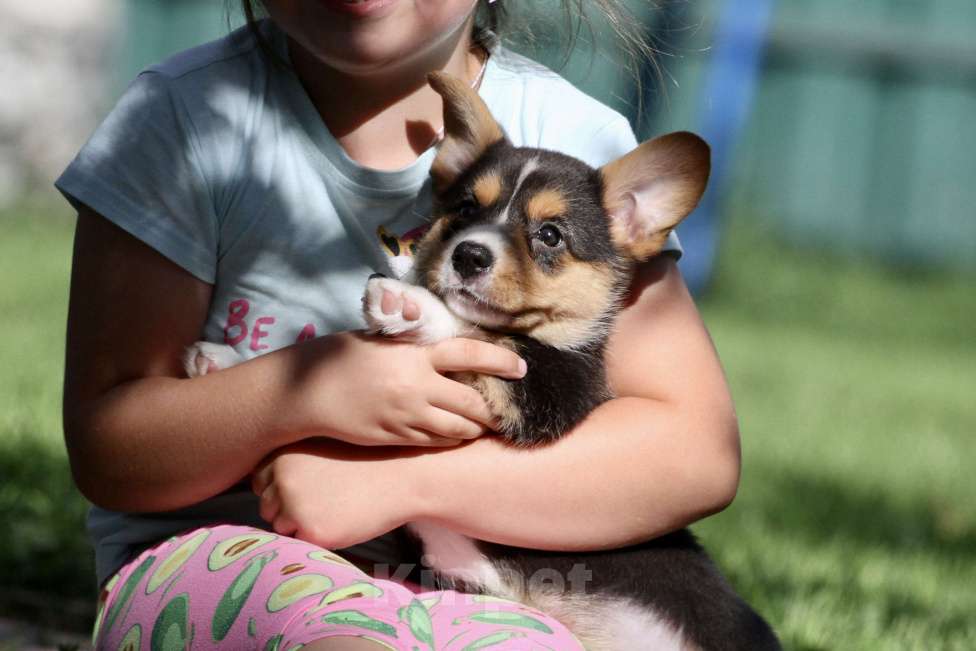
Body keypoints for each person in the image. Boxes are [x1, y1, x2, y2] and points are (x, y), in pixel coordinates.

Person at [58, 1, 741, 648]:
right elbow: (108, 449)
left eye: (547, 238)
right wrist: (301, 392)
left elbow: (695, 451)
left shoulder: (580, 138)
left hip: (482, 596)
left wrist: (400, 484)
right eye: (472, 215)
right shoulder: (183, 121)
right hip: (223, 564)